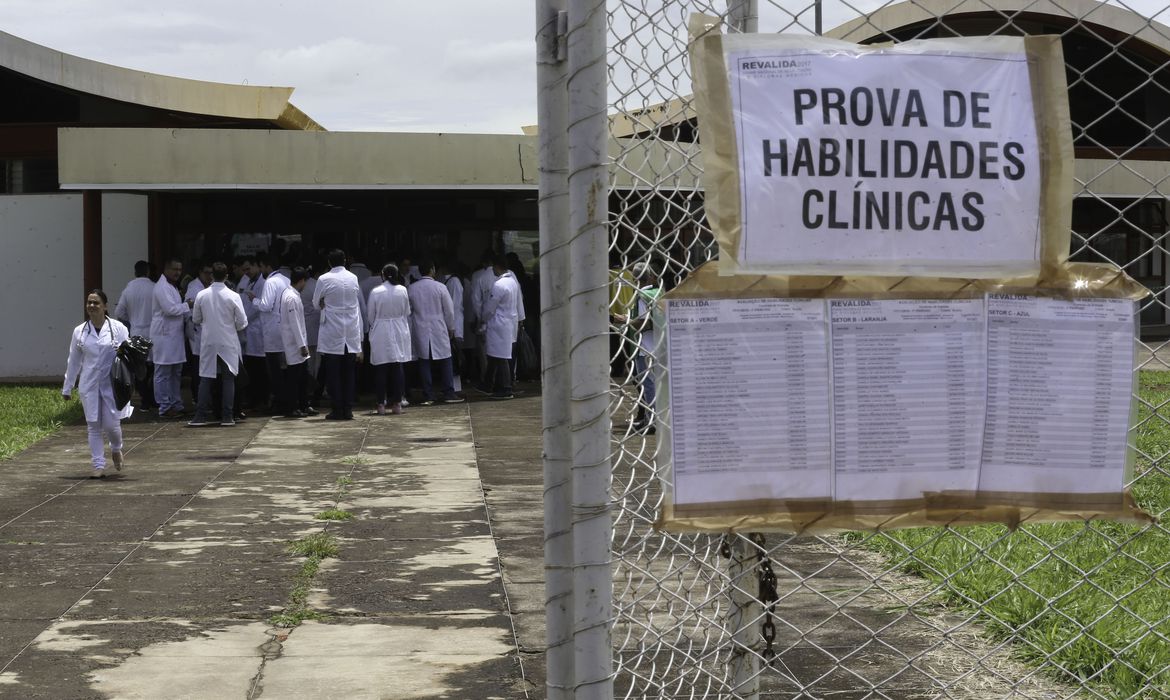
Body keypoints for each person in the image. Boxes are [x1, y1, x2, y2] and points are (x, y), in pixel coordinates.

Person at [63, 289, 133, 478]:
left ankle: (116, 448)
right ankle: (98, 465)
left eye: (96, 303)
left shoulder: (118, 328)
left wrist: (122, 353)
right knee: (93, 425)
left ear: (105, 306)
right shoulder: (80, 331)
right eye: (89, 302)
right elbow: (74, 360)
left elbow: (129, 355)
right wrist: (68, 387)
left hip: (112, 384)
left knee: (111, 425)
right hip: (89, 384)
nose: (92, 306)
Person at [188, 263, 248, 427]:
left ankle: (200, 416)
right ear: (226, 276)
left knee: (206, 378)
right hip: (228, 341)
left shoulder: (201, 295)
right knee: (228, 379)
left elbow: (196, 319)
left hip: (208, 341)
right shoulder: (233, 296)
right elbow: (242, 322)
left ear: (212, 276)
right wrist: (230, 325)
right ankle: (227, 417)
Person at [313, 249, 365, 420]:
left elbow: (315, 303)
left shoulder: (323, 279)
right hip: (350, 332)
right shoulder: (353, 278)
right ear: (345, 261)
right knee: (349, 373)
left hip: (332, 332)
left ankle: (337, 409)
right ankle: (348, 409)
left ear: (329, 263)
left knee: (333, 374)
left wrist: (324, 303)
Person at [613, 262, 661, 434]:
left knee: (648, 386)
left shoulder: (642, 295)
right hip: (658, 344)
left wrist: (625, 320)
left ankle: (651, 421)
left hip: (644, 347)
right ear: (652, 277)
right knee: (657, 385)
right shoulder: (658, 292)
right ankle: (653, 418)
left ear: (634, 279)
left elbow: (643, 322)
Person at [408, 258, 463, 405]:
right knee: (445, 359)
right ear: (432, 270)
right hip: (439, 326)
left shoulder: (412, 288)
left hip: (420, 327)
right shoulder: (440, 287)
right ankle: (448, 392)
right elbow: (449, 310)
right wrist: (451, 327)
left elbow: (408, 311)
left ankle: (428, 394)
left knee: (424, 361)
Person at [367, 263, 412, 415]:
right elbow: (407, 311)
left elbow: (370, 316)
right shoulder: (402, 290)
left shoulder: (376, 291)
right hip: (399, 328)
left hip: (381, 330)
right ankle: (397, 403)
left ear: (383, 275)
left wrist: (378, 323)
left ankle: (381, 404)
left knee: (381, 367)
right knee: (397, 366)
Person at [113, 260, 156, 410]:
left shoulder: (128, 289)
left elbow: (119, 312)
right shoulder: (154, 288)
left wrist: (131, 319)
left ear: (135, 272)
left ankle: (144, 400)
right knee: (153, 367)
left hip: (136, 331)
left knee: (139, 367)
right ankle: (153, 398)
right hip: (153, 331)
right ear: (148, 272)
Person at [480, 254, 524, 400]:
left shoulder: (499, 285)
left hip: (498, 324)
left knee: (501, 357)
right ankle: (488, 384)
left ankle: (506, 388)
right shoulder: (512, 282)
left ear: (497, 267)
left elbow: (490, 308)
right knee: (495, 356)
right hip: (508, 322)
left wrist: (483, 319)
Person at [150, 258, 190, 417]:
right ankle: (164, 407)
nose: (177, 273)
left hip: (174, 336)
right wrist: (187, 305)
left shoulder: (172, 286)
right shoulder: (161, 287)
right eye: (174, 269)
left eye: (180, 269)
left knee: (175, 372)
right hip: (164, 336)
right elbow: (170, 310)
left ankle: (176, 403)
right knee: (163, 373)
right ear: (166, 269)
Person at [257, 257, 291, 414]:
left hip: (272, 332)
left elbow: (266, 305)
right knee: (284, 369)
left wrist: (254, 300)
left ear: (267, 266)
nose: (261, 270)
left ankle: (279, 403)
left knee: (275, 370)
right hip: (284, 329)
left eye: (261, 266)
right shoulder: (286, 280)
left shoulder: (270, 282)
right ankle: (286, 401)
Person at [279, 267, 312, 417]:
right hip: (294, 344)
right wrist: (302, 345)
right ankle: (292, 407)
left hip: (298, 343)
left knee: (303, 376)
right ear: (302, 281)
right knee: (294, 378)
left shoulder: (292, 294)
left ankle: (304, 405)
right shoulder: (291, 297)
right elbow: (294, 323)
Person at [238, 256, 268, 412]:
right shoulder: (249, 283)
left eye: (249, 268)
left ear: (257, 266)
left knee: (259, 369)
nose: (246, 272)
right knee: (251, 367)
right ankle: (253, 399)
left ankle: (261, 400)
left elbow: (257, 308)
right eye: (244, 270)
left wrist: (243, 320)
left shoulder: (263, 284)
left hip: (257, 330)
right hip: (248, 331)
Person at [184, 261, 213, 402]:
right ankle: (197, 397)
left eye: (211, 273)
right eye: (206, 273)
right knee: (198, 366)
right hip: (197, 331)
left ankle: (205, 397)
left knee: (207, 366)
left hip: (208, 332)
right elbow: (188, 310)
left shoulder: (210, 286)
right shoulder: (193, 287)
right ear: (200, 273)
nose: (209, 276)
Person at [469, 250, 497, 386]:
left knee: (485, 353)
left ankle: (487, 380)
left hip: (486, 320)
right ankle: (506, 379)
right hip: (505, 320)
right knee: (503, 352)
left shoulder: (478, 276)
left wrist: (479, 318)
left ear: (484, 263)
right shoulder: (509, 276)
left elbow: (476, 301)